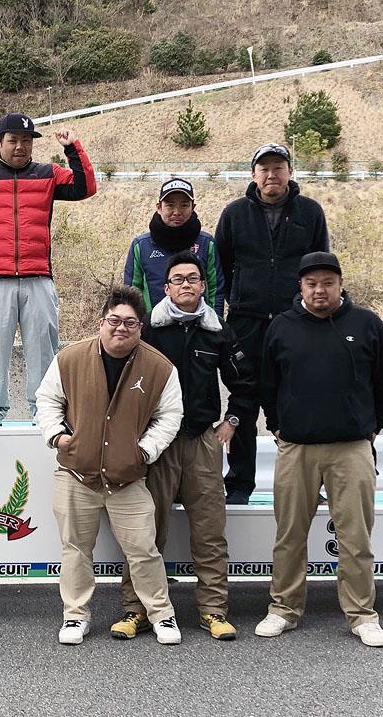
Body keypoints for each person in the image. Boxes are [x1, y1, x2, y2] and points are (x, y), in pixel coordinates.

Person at [255, 252, 383, 648]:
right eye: (312, 283)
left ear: (339, 284)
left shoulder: (366, 325)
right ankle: (283, 609)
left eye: (327, 283)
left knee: (355, 537)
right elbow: (269, 383)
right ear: (300, 286)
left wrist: (372, 429)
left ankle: (362, 615)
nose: (320, 290)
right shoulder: (282, 327)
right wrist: (278, 425)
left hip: (351, 449)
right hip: (296, 448)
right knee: (289, 534)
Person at [116, 251, 257, 642]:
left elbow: (245, 384)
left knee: (209, 532)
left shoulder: (218, 331)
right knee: (145, 533)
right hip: (155, 446)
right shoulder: (147, 331)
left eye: (193, 279)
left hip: (201, 443)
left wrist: (230, 423)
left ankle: (213, 611)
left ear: (202, 286)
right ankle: (137, 610)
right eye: (177, 279)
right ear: (166, 287)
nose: (185, 285)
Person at [35, 286, 184, 646]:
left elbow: (170, 416)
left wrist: (144, 452)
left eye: (130, 323)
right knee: (75, 549)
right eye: (114, 320)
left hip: (128, 479)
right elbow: (47, 399)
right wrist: (57, 436)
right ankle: (75, 615)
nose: (121, 328)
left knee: (144, 550)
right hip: (76, 474)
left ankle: (162, 615)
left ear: (141, 327)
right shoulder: (70, 359)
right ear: (102, 322)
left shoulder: (160, 368)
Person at [0, 113, 97, 425]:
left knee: (43, 350)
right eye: (13, 140)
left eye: (26, 140)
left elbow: (85, 187)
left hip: (39, 277)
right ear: (0, 143)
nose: (20, 146)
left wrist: (73, 148)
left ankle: (44, 412)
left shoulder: (47, 173)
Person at [215, 143, 330, 504]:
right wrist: (222, 318)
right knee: (244, 401)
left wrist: (313, 315)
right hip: (246, 323)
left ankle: (307, 485)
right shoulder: (234, 214)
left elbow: (321, 269)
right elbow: (220, 269)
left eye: (278, 167)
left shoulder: (310, 212)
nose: (271, 175)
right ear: (253, 175)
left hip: (293, 322)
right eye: (264, 168)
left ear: (289, 172)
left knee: (297, 401)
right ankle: (238, 485)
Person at [124, 178, 223, 316]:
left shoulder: (207, 243)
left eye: (184, 205)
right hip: (154, 328)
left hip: (199, 328)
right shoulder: (141, 246)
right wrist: (141, 327)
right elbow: (132, 292)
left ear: (192, 207)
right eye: (170, 205)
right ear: (159, 207)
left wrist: (215, 324)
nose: (177, 212)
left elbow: (215, 289)